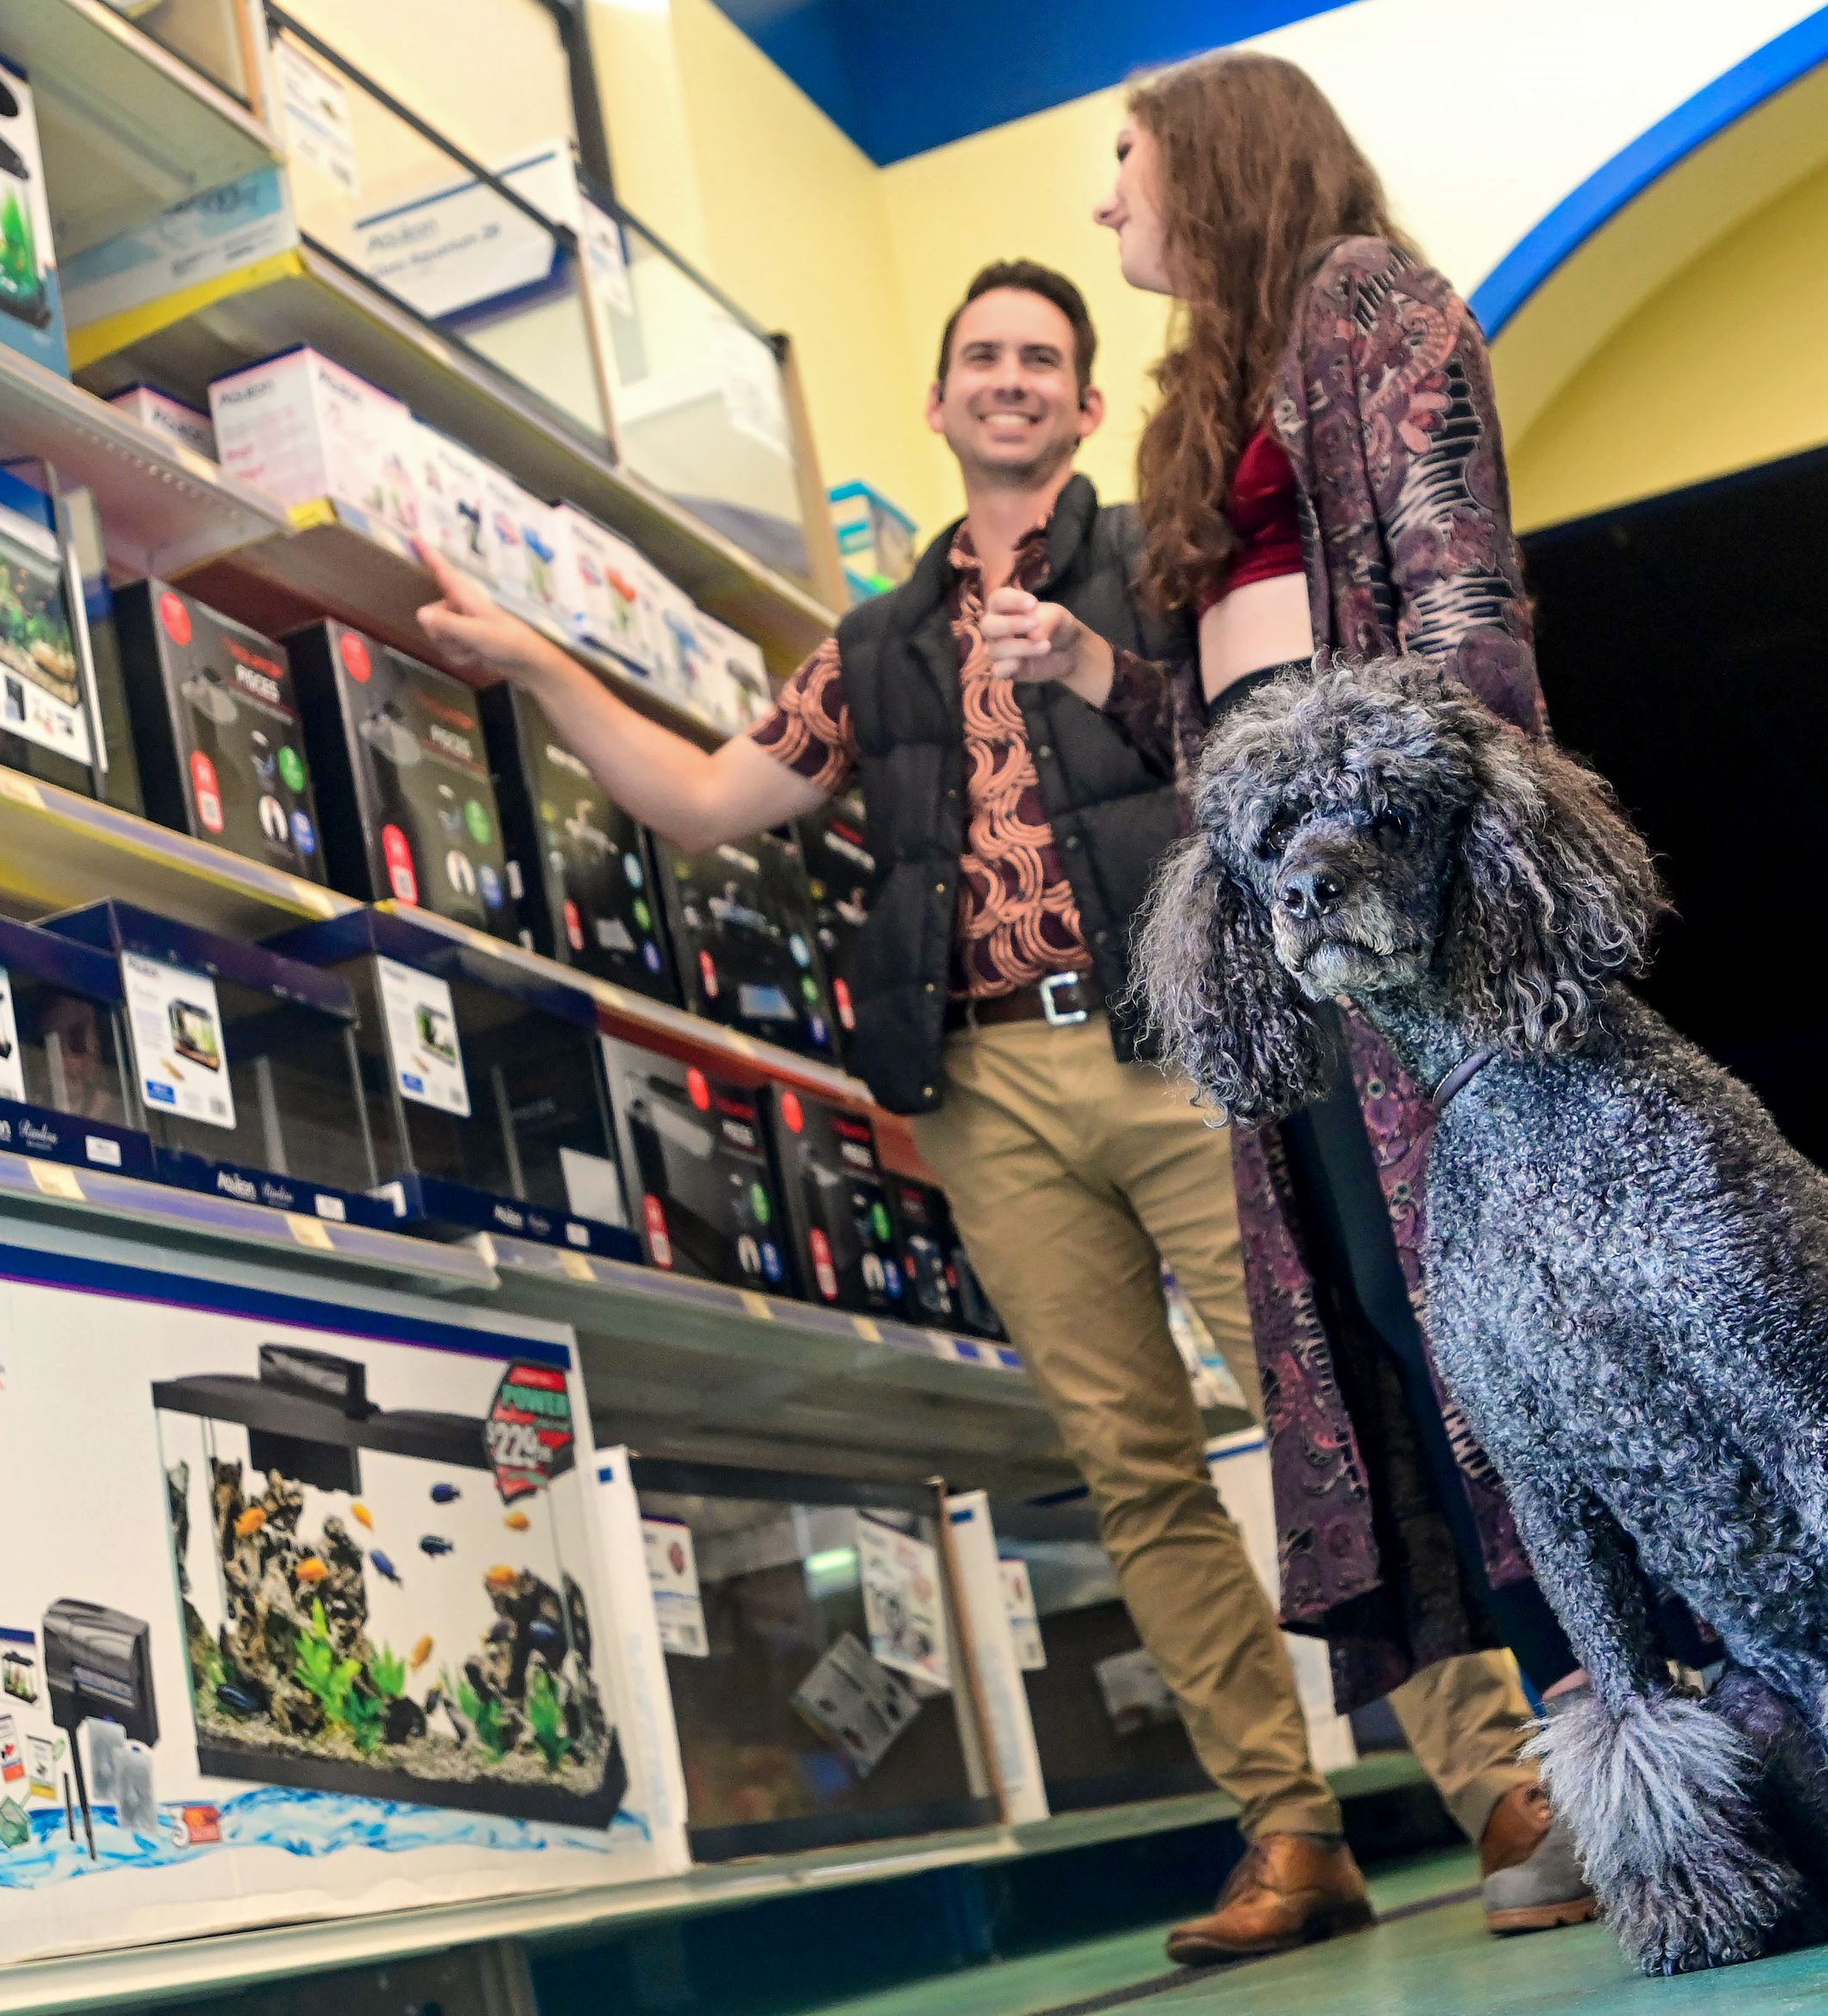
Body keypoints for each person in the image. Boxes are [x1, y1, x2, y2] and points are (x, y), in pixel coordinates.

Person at [408, 259, 1585, 1959]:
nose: (1013, 378)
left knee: (1331, 1404)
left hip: (1186, 1044)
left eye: (1045, 356)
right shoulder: (874, 647)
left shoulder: (1162, 564)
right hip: (987, 1090)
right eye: (985, 356)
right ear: (945, 402)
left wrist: (1115, 670)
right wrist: (526, 656)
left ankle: (1501, 1783)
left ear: (1087, 407)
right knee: (1135, 1467)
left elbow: (1257, 747)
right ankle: (1286, 1827)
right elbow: (699, 799)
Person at [1062, 47, 1605, 1938]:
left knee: (1485, 1312)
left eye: (1121, 159)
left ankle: (1636, 1729)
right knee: (1391, 1322)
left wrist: (1433, 883)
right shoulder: (1218, 384)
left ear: (1211, 162)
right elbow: (1239, 702)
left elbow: (1457, 616)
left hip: (1400, 925)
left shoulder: (1364, 302)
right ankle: (1591, 1737)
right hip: (1293, 937)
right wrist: (1108, 679)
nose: (1105, 197)